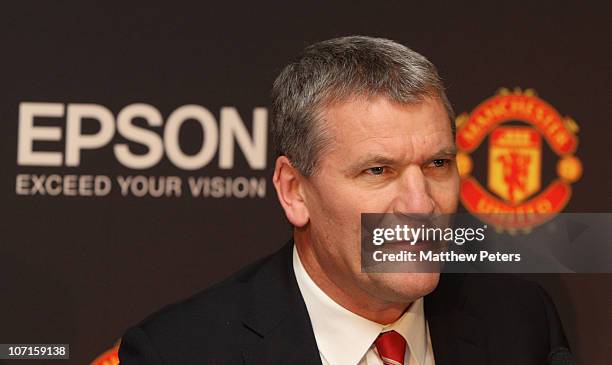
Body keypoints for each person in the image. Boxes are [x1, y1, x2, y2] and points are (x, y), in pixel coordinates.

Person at [118, 36, 569, 365]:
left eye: (437, 165)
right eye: (378, 171)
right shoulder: (181, 352)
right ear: (294, 191)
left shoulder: (521, 323)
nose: (419, 204)